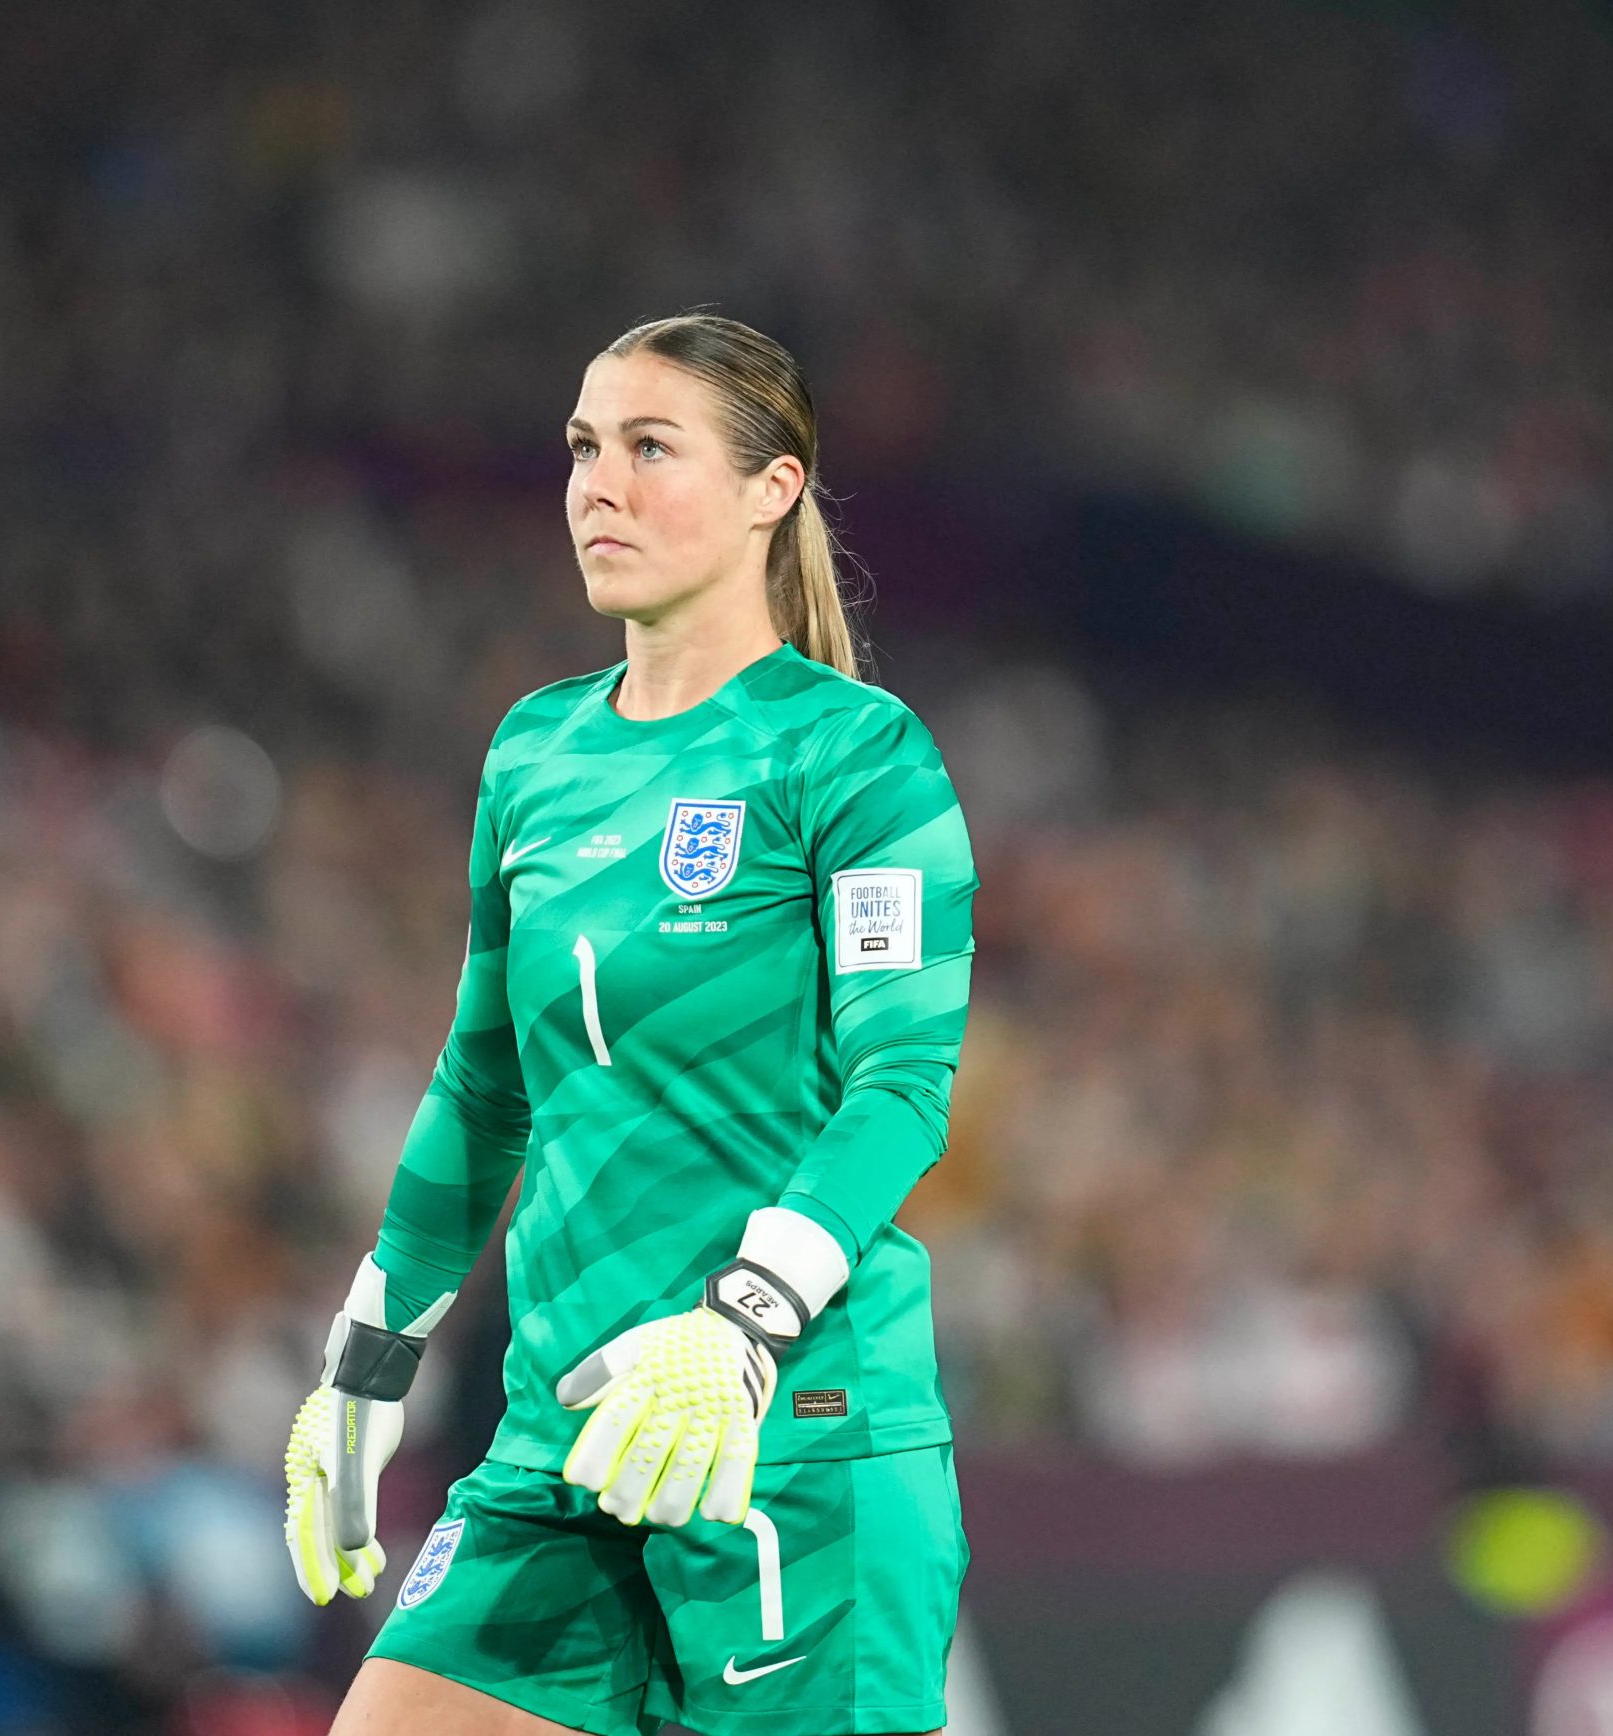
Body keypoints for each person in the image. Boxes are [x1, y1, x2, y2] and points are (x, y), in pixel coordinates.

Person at [283, 313, 977, 1736]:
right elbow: (485, 1086)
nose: (598, 483)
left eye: (650, 447)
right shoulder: (535, 752)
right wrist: (369, 1352)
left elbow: (902, 1084)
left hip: (791, 1434)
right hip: (563, 1437)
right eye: (584, 448)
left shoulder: (858, 754)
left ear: (771, 489)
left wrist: (742, 1322)